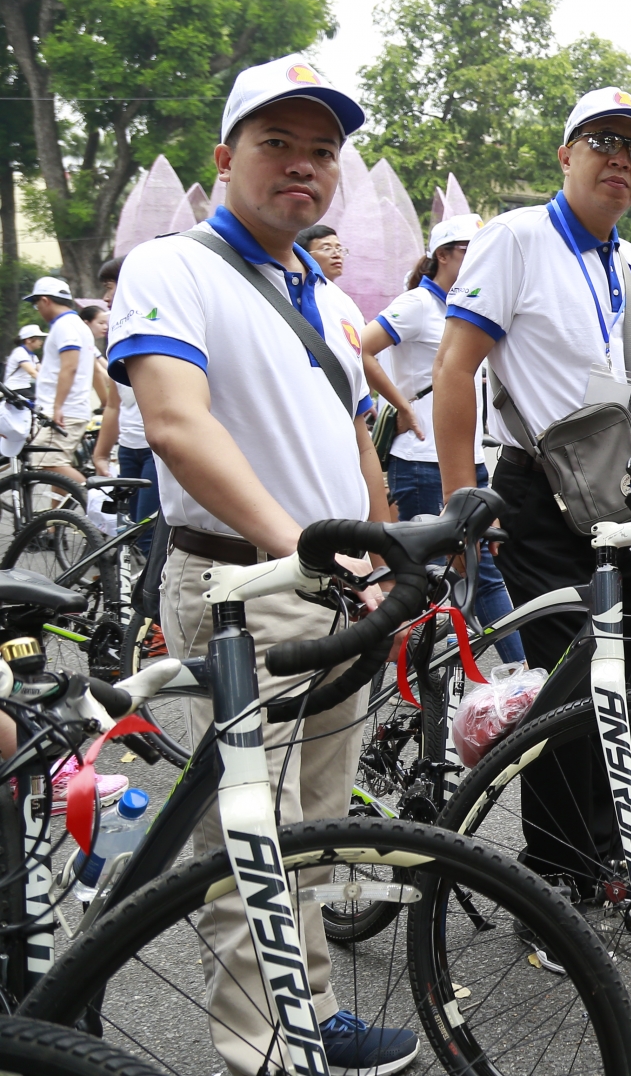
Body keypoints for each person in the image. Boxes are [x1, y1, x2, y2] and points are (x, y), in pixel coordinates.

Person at [107, 53, 417, 1074]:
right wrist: (303, 549)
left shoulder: (323, 296)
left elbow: (359, 437)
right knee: (252, 848)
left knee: (316, 832)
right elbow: (176, 426)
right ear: (225, 155)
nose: (303, 165)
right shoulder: (171, 266)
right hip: (240, 589)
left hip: (333, 591)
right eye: (277, 142)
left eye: (322, 151)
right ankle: (262, 1055)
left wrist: (379, 556)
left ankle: (311, 1015)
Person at [434, 85, 631, 920]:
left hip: (627, 497)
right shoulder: (515, 240)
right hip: (543, 496)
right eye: (603, 140)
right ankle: (556, 871)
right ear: (565, 154)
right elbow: (455, 369)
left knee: (628, 691)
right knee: (569, 697)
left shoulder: (630, 261)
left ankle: (607, 849)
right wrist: (462, 497)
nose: (622, 158)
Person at [359, 214, 523, 664]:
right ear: (444, 254)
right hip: (421, 460)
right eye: (469, 250)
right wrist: (403, 403)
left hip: (467, 459)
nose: (477, 259)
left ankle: (508, 671)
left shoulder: (468, 303)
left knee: (479, 568)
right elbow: (362, 347)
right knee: (452, 571)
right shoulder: (416, 304)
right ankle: (507, 671)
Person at [91, 256, 162, 545]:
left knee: (145, 534)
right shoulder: (118, 340)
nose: (106, 298)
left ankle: (151, 592)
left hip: (156, 449)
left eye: (111, 287)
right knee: (126, 534)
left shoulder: (160, 328)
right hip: (129, 449)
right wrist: (100, 453)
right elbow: (113, 405)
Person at [24, 276, 101, 489]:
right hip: (71, 408)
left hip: (64, 410)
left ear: (46, 300)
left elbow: (70, 366)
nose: (37, 308)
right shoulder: (76, 325)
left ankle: (100, 501)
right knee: (57, 467)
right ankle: (55, 522)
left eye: (36, 303)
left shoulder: (64, 326)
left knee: (44, 461)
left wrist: (58, 406)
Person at [5, 324, 41, 389]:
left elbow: (41, 370)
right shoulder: (20, 352)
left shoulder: (32, 356)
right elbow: (32, 372)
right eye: (38, 338)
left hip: (25, 387)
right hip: (14, 388)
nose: (41, 341)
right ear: (28, 340)